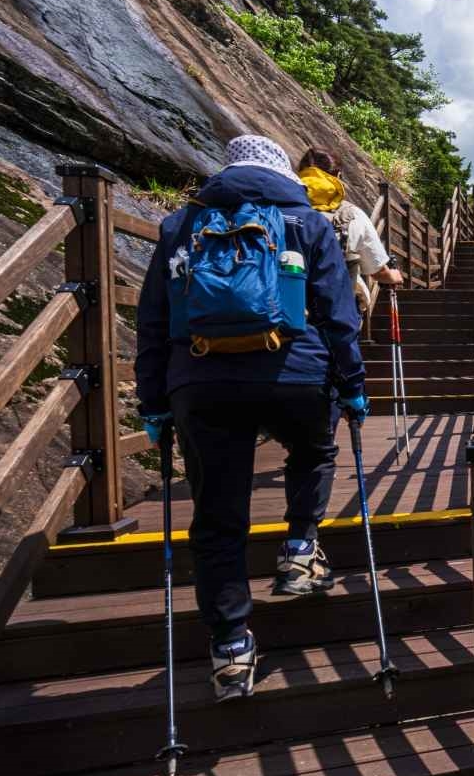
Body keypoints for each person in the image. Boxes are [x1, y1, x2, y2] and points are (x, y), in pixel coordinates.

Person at [135, 135, 367, 702]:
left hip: (203, 380)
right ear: (281, 172)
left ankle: (232, 647)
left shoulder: (179, 228)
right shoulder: (308, 223)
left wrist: (154, 402)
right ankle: (298, 552)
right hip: (296, 374)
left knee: (218, 516)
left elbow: (154, 320)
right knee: (313, 450)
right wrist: (353, 383)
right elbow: (337, 312)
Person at [295, 147, 403, 316]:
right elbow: (378, 271)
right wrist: (394, 276)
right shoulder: (351, 215)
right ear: (338, 177)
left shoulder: (276, 206)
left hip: (280, 310)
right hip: (332, 313)